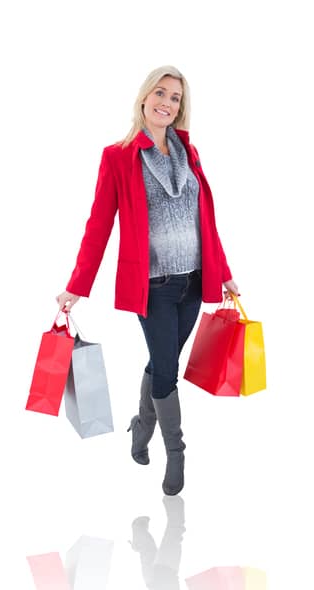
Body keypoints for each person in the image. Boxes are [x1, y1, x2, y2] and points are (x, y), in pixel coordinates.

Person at [57, 65, 241, 496]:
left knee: (163, 363)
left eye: (175, 98)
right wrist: (77, 286)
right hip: (154, 286)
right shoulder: (119, 156)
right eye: (160, 93)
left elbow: (206, 221)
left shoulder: (187, 151)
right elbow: (98, 225)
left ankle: (141, 425)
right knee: (166, 371)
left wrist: (225, 273)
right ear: (144, 98)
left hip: (195, 281)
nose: (166, 103)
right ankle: (175, 453)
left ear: (180, 109)